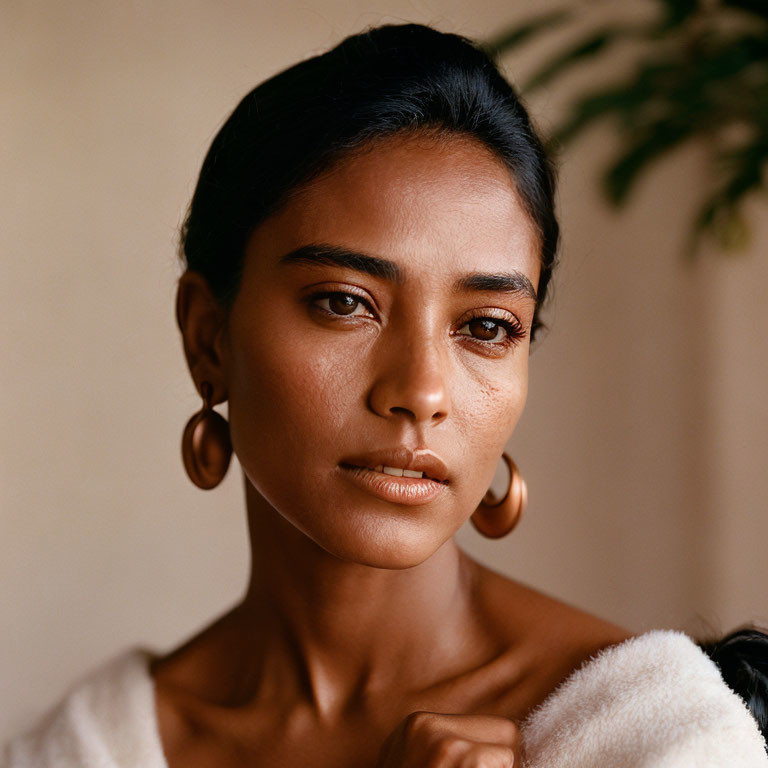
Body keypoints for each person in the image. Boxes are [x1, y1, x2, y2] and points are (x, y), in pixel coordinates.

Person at [4, 22, 767, 768]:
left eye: (488, 326)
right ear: (209, 338)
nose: (422, 392)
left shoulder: (651, 739)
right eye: (344, 302)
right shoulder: (83, 750)